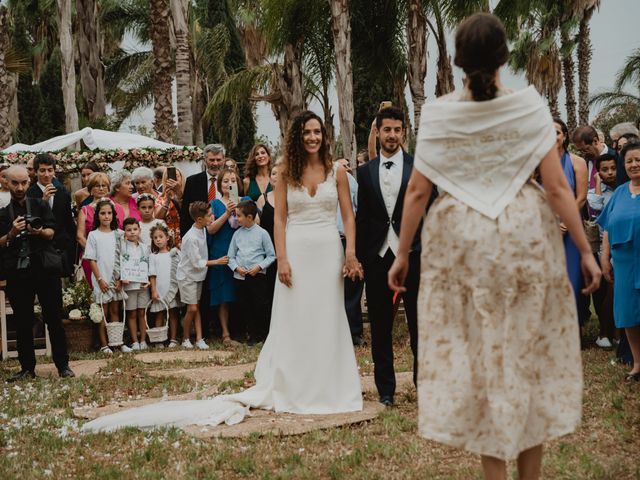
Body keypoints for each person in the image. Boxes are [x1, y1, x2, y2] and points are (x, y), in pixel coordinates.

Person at [387, 13, 601, 480]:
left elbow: (418, 192)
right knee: (529, 356)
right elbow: (557, 189)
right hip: (526, 239)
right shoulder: (529, 106)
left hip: (462, 245)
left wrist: (402, 253)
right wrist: (585, 250)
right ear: (505, 57)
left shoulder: (440, 111)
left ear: (458, 62)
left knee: (483, 362)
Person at [82, 111, 364, 432]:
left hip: (329, 248)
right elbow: (281, 220)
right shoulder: (286, 172)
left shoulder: (336, 172)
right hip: (297, 249)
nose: (312, 137)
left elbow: (349, 216)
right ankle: (299, 381)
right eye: (306, 132)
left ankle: (331, 381)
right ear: (297, 137)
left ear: (324, 136)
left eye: (317, 132)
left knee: (328, 313)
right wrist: (282, 258)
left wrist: (351, 253)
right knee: (299, 313)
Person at [356, 106, 432, 407]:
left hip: (415, 256)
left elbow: (433, 211)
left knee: (420, 324)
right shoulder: (364, 173)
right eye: (386, 130)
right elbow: (362, 219)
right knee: (381, 325)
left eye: (397, 130)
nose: (392, 135)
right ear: (378, 132)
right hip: (378, 259)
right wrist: (362, 257)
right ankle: (385, 390)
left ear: (404, 132)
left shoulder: (420, 169)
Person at [0, 166, 75, 381]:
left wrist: (39, 231)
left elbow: (53, 232)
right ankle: (27, 369)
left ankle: (63, 366)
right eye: (15, 183)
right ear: (7, 183)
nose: (20, 187)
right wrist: (12, 233)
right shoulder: (4, 214)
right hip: (17, 271)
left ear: (29, 182)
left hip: (45, 270)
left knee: (54, 319)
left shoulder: (41, 206)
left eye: (24, 182)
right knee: (23, 321)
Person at [598, 140, 640, 382]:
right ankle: (637, 364)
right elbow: (607, 229)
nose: (634, 164)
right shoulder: (620, 193)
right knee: (628, 313)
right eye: (630, 161)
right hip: (623, 263)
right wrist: (605, 259)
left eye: (638, 159)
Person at [207, 169, 250, 345]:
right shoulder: (215, 204)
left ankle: (248, 330)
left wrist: (239, 210)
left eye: (233, 180)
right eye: (225, 181)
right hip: (222, 251)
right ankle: (225, 334)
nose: (229, 184)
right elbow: (210, 229)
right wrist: (227, 213)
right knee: (224, 294)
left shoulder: (246, 201)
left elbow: (256, 223)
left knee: (245, 293)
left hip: (245, 252)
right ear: (220, 184)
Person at [178, 201, 228, 350]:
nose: (213, 216)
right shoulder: (191, 237)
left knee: (197, 307)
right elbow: (196, 262)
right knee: (192, 309)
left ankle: (199, 338)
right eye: (210, 215)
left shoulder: (202, 229)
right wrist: (217, 262)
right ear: (199, 219)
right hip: (187, 276)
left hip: (198, 276)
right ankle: (185, 337)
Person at [554, 118, 589, 326]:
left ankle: (573, 333)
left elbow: (582, 197)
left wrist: (566, 223)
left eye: (557, 132)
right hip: (545, 229)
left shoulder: (577, 162)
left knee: (571, 281)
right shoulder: (536, 163)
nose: (552, 137)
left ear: (565, 136)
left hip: (571, 230)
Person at [227, 200, 276, 345]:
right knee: (245, 306)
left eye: (239, 216)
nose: (237, 218)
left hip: (257, 276)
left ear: (249, 217)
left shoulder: (262, 233)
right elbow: (230, 257)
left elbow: (271, 255)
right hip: (241, 277)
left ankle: (265, 334)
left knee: (260, 305)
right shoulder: (237, 234)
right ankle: (252, 335)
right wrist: (236, 268)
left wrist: (259, 267)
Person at [84, 200, 128, 354]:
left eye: (109, 213)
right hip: (101, 278)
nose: (106, 216)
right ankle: (104, 345)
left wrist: (121, 279)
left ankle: (117, 341)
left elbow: (124, 258)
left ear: (114, 215)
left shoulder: (120, 234)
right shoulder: (93, 235)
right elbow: (92, 259)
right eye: (103, 213)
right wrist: (100, 280)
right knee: (103, 312)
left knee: (115, 311)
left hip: (116, 279)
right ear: (97, 215)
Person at [27, 154, 77, 277]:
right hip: (40, 251)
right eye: (42, 170)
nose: (47, 174)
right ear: (36, 172)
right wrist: (43, 201)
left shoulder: (63, 192)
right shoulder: (29, 193)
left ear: (54, 171)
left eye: (50, 170)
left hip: (62, 249)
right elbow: (31, 220)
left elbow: (68, 222)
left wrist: (72, 247)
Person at [587, 154, 618, 349]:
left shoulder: (625, 188)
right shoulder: (595, 192)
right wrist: (598, 182)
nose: (610, 173)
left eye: (613, 168)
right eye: (604, 169)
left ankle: (618, 333)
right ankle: (605, 332)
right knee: (610, 291)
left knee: (619, 292)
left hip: (625, 245)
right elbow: (595, 210)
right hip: (605, 246)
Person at [335, 158, 365, 346]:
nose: (344, 168)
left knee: (352, 286)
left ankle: (354, 332)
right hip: (327, 240)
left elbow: (357, 208)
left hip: (347, 239)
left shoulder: (350, 181)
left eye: (346, 165)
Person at [77, 173, 124, 287]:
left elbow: (121, 232)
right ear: (91, 189)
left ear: (108, 188)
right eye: (97, 186)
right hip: (92, 259)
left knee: (115, 292)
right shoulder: (85, 210)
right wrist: (94, 252)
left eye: (104, 185)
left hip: (114, 257)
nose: (101, 188)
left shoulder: (118, 208)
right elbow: (80, 236)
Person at [114, 218, 151, 351]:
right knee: (132, 314)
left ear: (140, 231)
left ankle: (143, 340)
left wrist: (148, 281)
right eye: (129, 230)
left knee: (142, 313)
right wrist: (122, 277)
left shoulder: (145, 247)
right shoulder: (122, 246)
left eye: (135, 229)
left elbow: (149, 265)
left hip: (142, 285)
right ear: (124, 231)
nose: (132, 232)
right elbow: (120, 263)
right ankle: (134, 341)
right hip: (129, 286)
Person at [180, 144, 224, 236]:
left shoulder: (231, 181)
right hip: (199, 235)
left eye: (218, 160)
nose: (215, 163)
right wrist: (184, 237)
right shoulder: (192, 182)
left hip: (223, 233)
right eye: (212, 160)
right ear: (205, 161)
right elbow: (185, 214)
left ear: (223, 160)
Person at [149, 223, 181, 348]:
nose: (158, 240)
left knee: (173, 313)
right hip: (159, 289)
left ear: (167, 237)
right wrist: (153, 290)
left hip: (171, 288)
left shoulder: (173, 254)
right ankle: (159, 340)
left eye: (160, 236)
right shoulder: (153, 256)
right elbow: (152, 274)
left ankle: (173, 339)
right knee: (159, 314)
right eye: (155, 238)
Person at [256, 162, 280, 310]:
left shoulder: (292, 197)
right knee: (269, 286)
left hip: (287, 246)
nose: (276, 176)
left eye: (280, 173)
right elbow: (256, 226)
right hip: (267, 249)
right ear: (270, 178)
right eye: (274, 173)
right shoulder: (262, 198)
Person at [154, 166, 184, 248]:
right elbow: (158, 219)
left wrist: (179, 195)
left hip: (184, 236)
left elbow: (189, 214)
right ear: (164, 180)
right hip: (167, 240)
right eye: (169, 177)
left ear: (181, 178)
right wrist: (167, 201)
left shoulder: (187, 195)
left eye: (177, 176)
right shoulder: (160, 199)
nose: (173, 179)